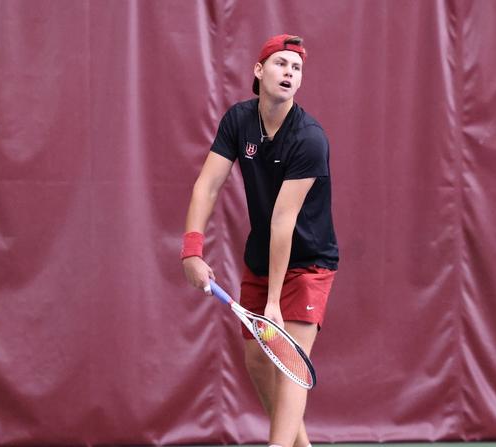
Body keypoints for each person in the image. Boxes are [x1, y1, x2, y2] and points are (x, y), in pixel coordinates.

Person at [181, 34, 339, 447]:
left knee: (290, 365)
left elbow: (283, 222)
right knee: (256, 360)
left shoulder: (309, 139)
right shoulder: (238, 121)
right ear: (259, 70)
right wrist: (192, 250)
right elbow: (207, 186)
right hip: (260, 258)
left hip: (308, 264)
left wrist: (272, 304)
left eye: (296, 68)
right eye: (281, 64)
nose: (289, 73)